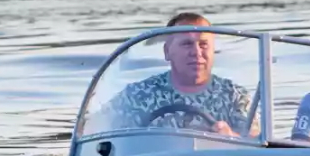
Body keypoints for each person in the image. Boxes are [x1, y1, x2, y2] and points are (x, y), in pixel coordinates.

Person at [100, 12, 259, 137]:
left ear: (213, 50)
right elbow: (95, 130)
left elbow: (255, 145)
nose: (196, 52)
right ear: (167, 51)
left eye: (203, 44)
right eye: (186, 44)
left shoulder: (235, 96)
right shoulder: (137, 96)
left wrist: (231, 137)